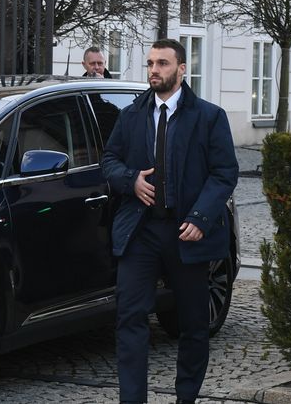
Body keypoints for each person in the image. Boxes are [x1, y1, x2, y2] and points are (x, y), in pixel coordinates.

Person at [100, 38, 238, 404]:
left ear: (181, 69)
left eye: (162, 63)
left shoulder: (208, 116)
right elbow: (108, 161)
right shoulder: (131, 115)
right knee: (130, 319)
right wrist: (131, 180)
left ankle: (185, 398)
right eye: (150, 64)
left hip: (186, 233)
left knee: (193, 325)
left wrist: (200, 217)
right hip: (141, 231)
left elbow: (224, 173)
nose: (154, 70)